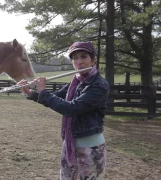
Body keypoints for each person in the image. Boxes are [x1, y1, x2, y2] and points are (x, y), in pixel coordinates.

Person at [19, 41, 109, 180]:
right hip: (70, 144)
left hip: (91, 148)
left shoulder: (99, 85)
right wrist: (31, 93)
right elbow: (55, 98)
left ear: (93, 60)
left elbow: (71, 108)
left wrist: (43, 92)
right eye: (75, 58)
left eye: (84, 57)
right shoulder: (76, 82)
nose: (79, 62)